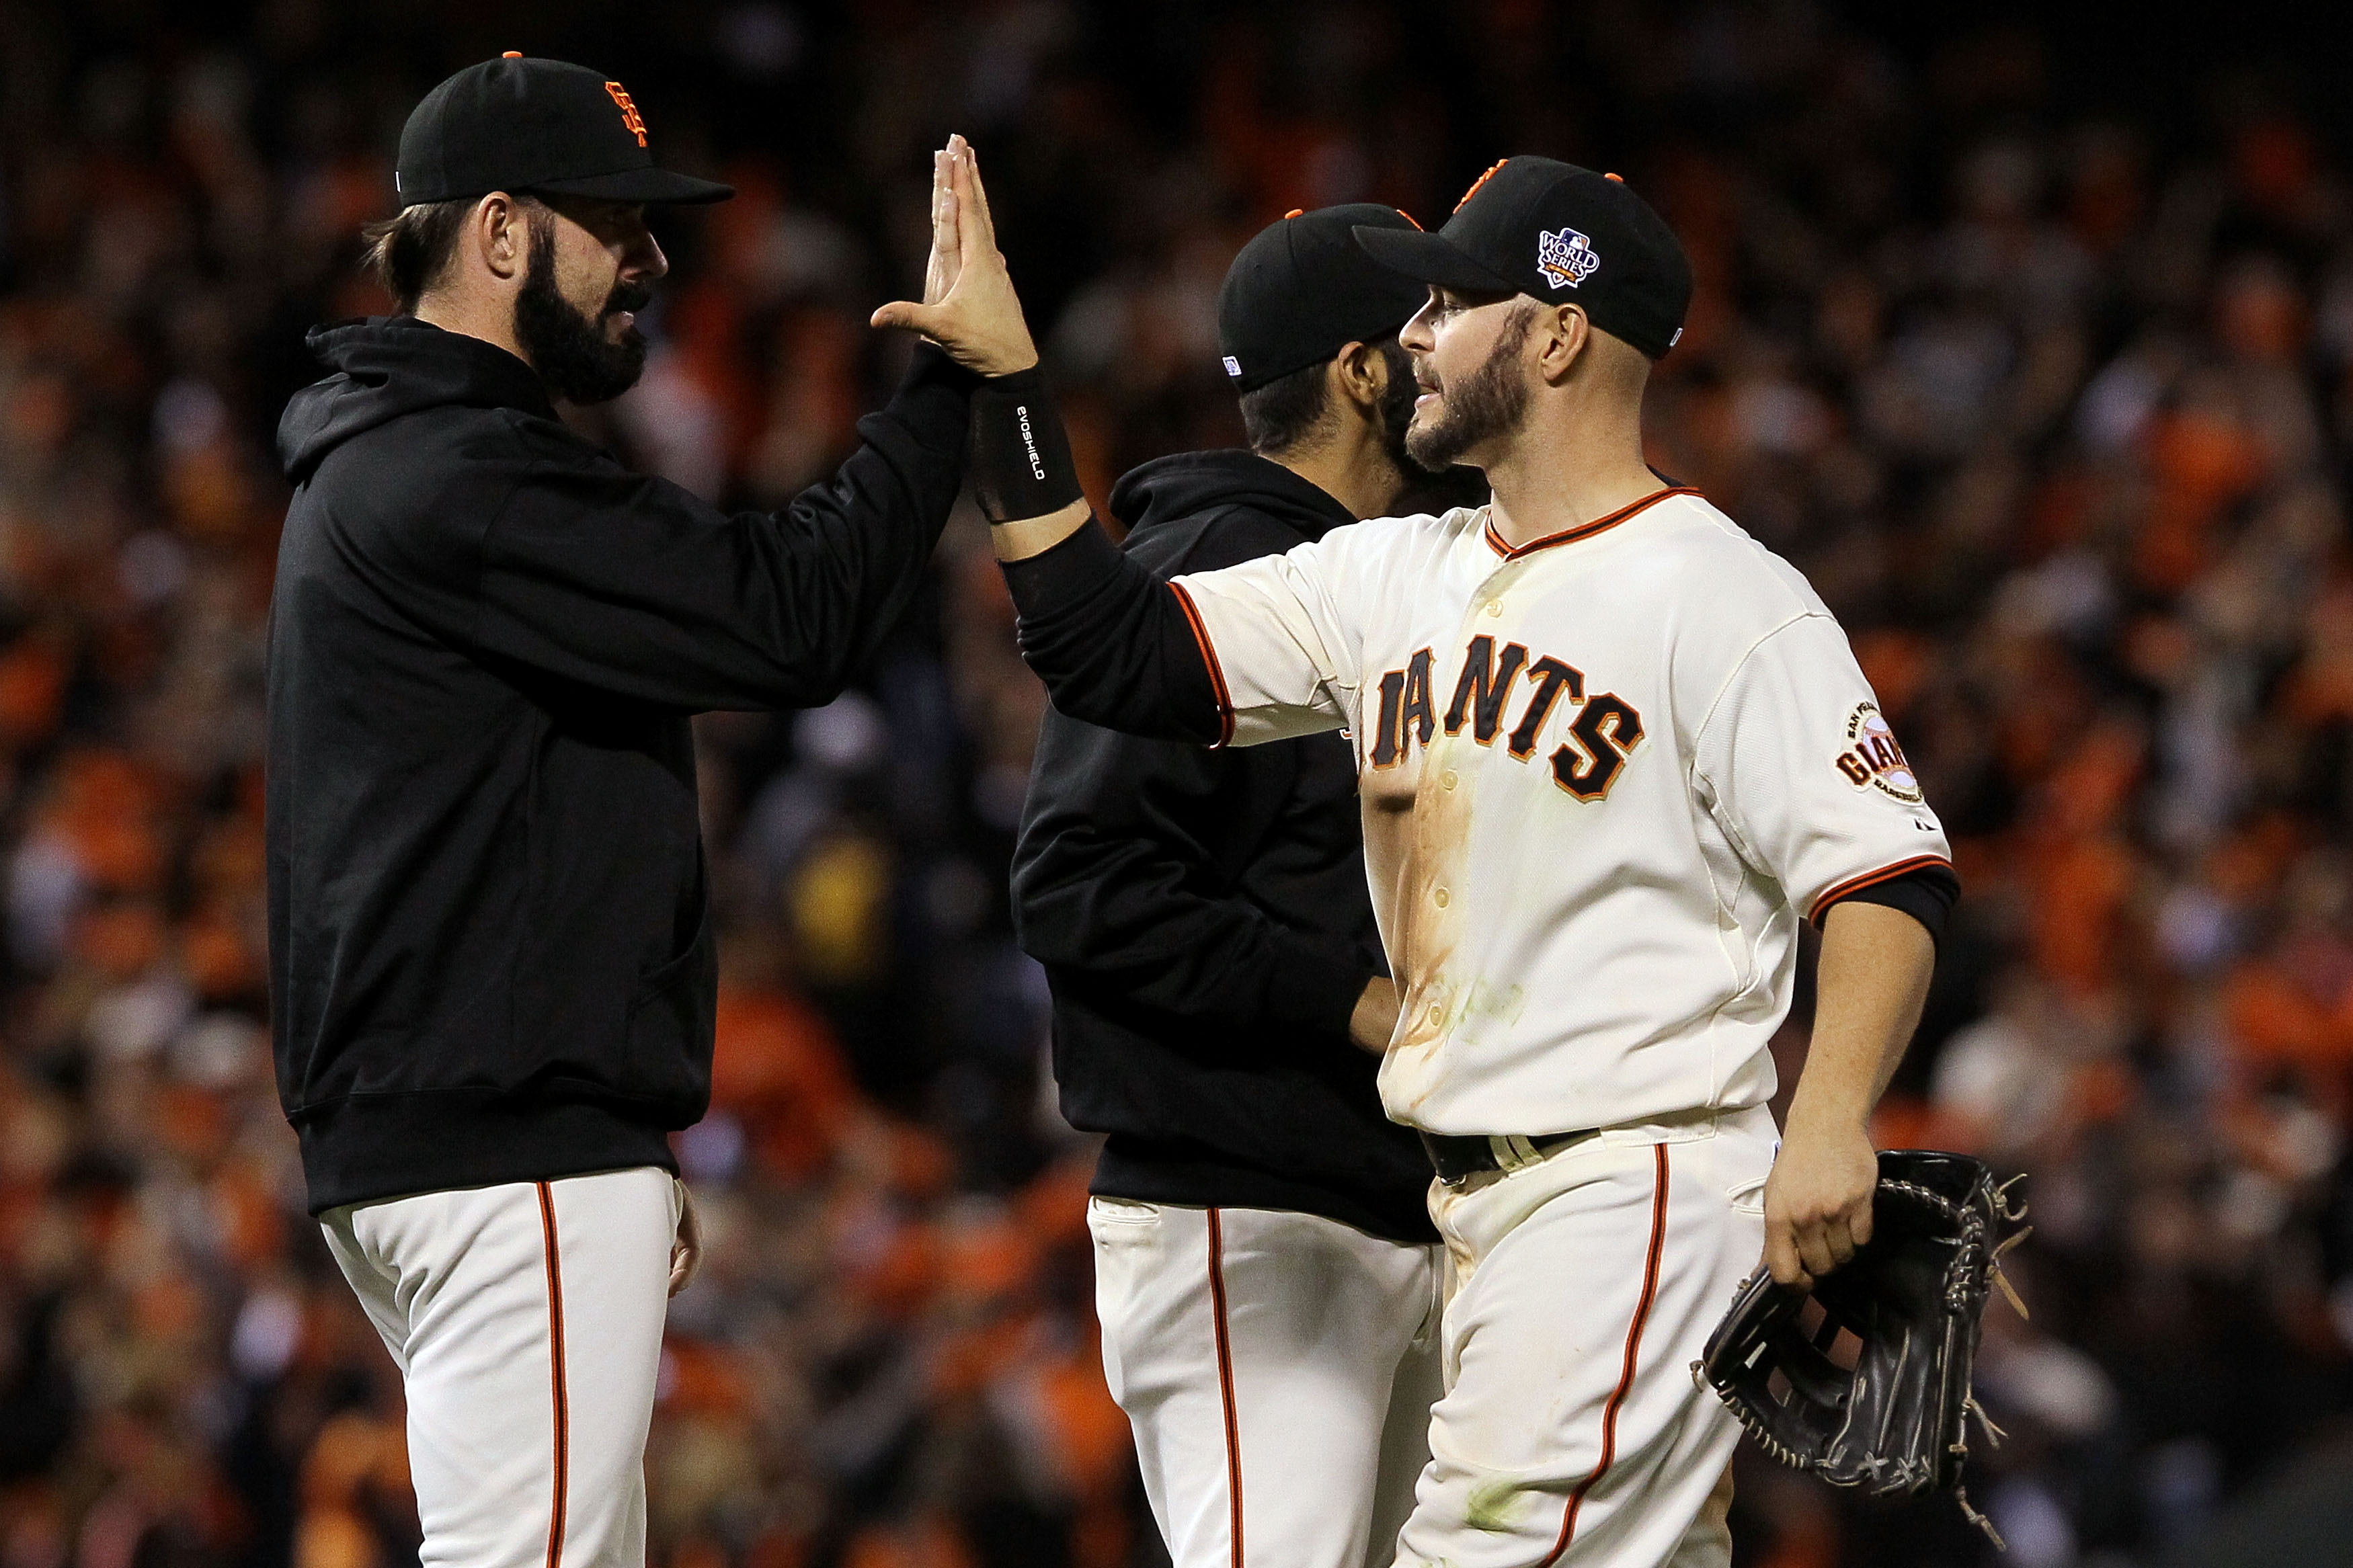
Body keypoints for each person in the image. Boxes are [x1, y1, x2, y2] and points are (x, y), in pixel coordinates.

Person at [969, 156, 1960, 1567]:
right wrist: (1010, 393)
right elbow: (1107, 650)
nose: (1414, 334)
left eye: (1453, 301)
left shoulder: (1722, 594)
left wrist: (1831, 1120)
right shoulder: (1396, 575)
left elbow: (1884, 878)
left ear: (1555, 333)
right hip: (1479, 1208)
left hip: (1637, 1190)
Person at [267, 55, 1037, 1568]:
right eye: (610, 221)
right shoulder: (458, 474)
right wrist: (946, 378)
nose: (652, 259)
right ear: (497, 233)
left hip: (456, 1144)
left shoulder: (376, 464)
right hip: (505, 1158)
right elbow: (791, 616)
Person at [1010, 205, 1444, 1568]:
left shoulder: (1402, 585)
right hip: (1244, 1212)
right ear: (1365, 370)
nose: (1456, 349)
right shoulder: (1208, 568)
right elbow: (1077, 881)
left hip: (1397, 1207)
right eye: (1427, 328)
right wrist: (1354, 1003)